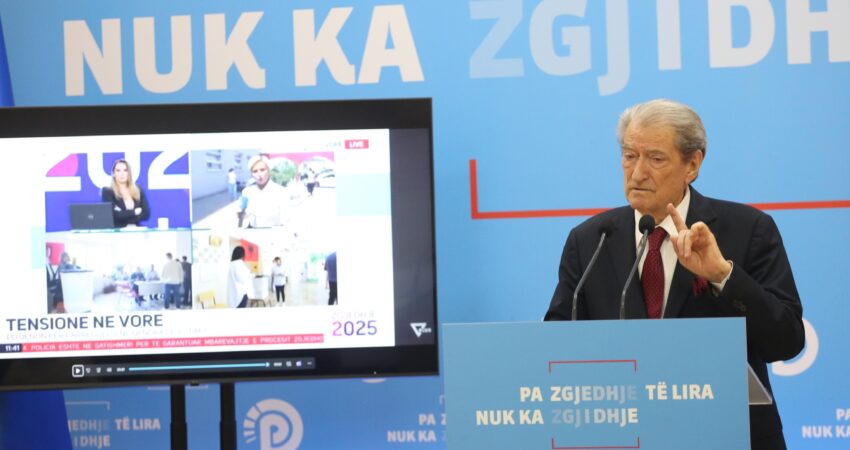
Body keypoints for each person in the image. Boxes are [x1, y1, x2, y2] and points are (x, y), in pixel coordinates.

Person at [544, 99, 804, 450]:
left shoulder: (748, 230)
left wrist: (722, 276)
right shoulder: (592, 240)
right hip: (624, 437)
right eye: (629, 156)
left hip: (726, 435)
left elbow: (787, 341)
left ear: (692, 165)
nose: (637, 173)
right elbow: (556, 349)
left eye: (655, 159)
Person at [238, 155, 288, 228]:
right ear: (251, 174)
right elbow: (242, 218)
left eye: (262, 170)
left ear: (269, 171)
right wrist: (241, 214)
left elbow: (285, 220)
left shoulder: (281, 192)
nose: (259, 174)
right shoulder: (247, 192)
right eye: (255, 171)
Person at [101, 159, 150, 228]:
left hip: (136, 230)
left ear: (129, 173)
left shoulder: (138, 190)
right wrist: (135, 212)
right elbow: (113, 215)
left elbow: (146, 214)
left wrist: (123, 214)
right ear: (113, 174)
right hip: (118, 231)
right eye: (118, 170)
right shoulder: (107, 192)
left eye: (125, 170)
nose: (122, 174)